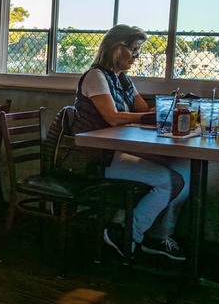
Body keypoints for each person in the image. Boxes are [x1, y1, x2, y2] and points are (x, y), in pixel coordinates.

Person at [74, 25, 189, 260]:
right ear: (117, 48)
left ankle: (149, 234)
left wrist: (172, 107)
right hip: (99, 157)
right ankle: (127, 234)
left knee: (181, 167)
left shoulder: (123, 79)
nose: (137, 57)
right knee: (171, 181)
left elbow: (143, 110)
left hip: (117, 152)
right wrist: (153, 116)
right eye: (134, 51)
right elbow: (113, 117)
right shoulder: (96, 76)